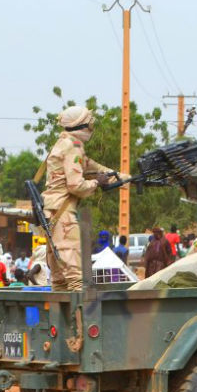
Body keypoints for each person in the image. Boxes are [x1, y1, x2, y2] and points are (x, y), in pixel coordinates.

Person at [41, 106, 125, 291]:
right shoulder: (73, 147)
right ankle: (80, 319)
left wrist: (123, 177)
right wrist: (96, 183)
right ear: (84, 125)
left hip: (52, 215)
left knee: (60, 279)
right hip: (63, 217)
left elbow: (90, 166)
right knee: (76, 278)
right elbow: (76, 186)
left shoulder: (64, 144)